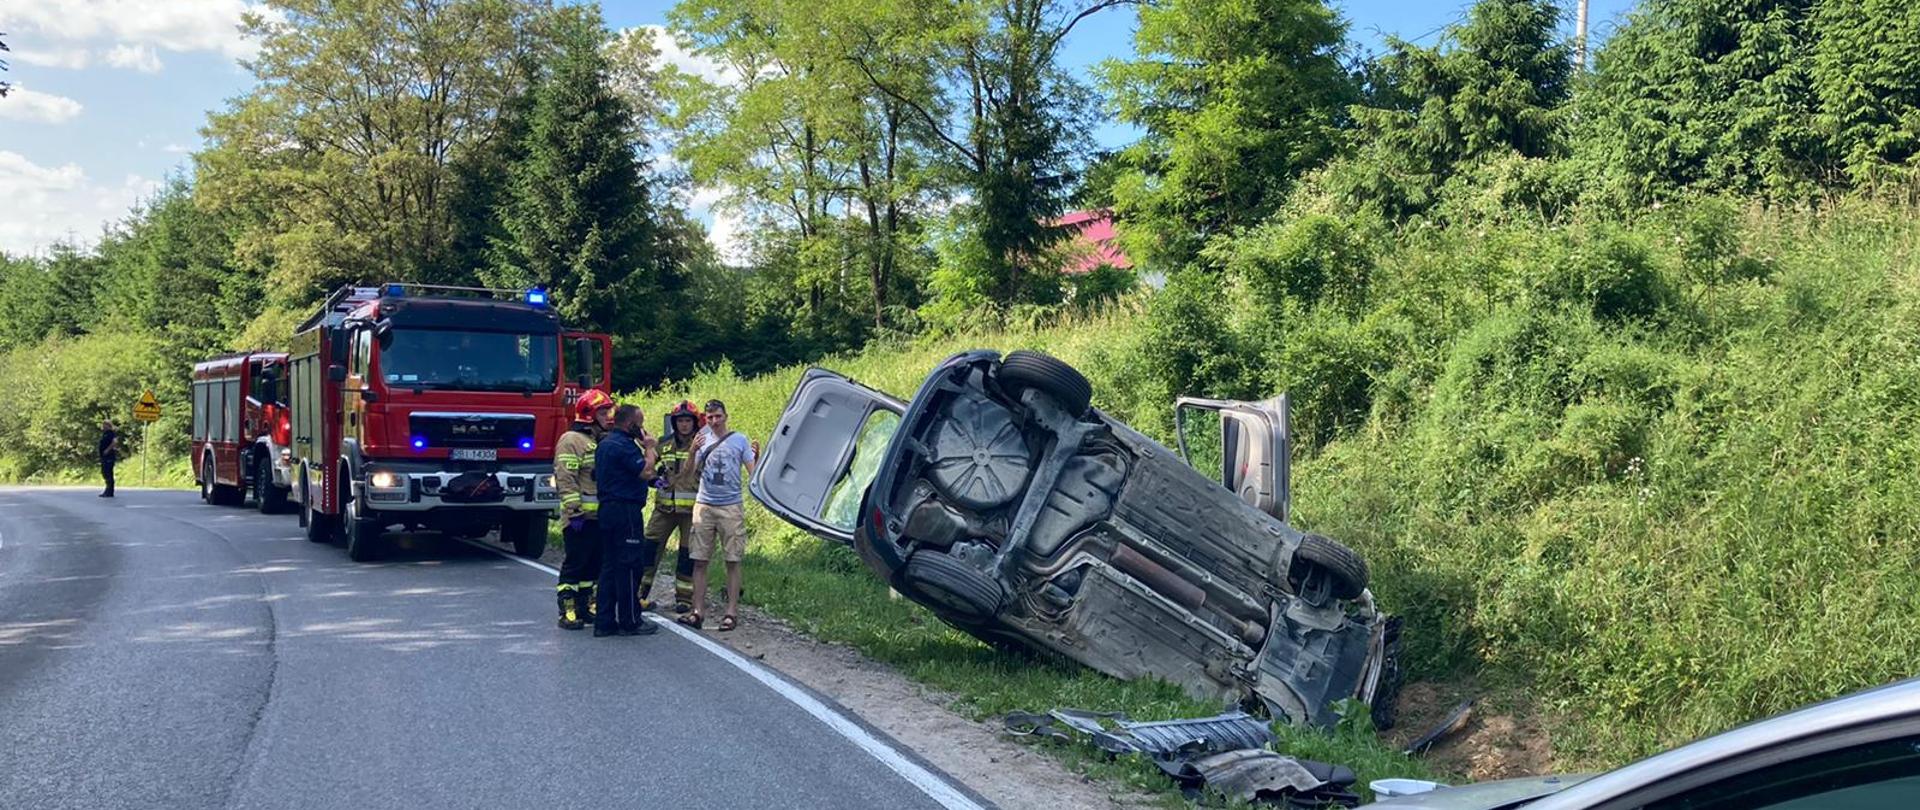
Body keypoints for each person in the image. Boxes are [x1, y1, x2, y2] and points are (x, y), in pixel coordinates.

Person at [678, 399, 757, 632]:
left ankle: (731, 612)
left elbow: (753, 473)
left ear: (725, 416)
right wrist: (692, 451)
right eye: (710, 417)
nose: (714, 421)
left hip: (731, 506)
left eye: (718, 416)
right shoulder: (701, 439)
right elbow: (687, 474)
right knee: (699, 559)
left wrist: (757, 458)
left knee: (733, 559)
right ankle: (697, 611)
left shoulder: (739, 440)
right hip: (704, 504)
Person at [592, 403, 660, 637]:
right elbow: (645, 472)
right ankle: (631, 620)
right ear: (630, 425)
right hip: (626, 511)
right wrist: (650, 448)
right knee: (630, 565)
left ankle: (604, 621)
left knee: (609, 565)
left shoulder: (604, 444)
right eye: (640, 425)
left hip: (606, 510)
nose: (642, 430)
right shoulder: (624, 446)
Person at [552, 389, 615, 630]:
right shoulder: (571, 440)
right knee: (575, 564)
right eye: (602, 411)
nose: (608, 416)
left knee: (593, 564)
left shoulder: (599, 440)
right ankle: (566, 609)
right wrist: (574, 511)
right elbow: (566, 478)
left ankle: (584, 605)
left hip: (599, 516)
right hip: (579, 517)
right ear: (588, 414)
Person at [640, 400, 702, 614]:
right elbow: (647, 466)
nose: (684, 425)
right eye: (680, 421)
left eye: (688, 420)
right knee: (649, 549)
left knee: (687, 556)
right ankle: (639, 593)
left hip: (691, 512)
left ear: (695, 422)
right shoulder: (663, 444)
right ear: (674, 423)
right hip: (663, 510)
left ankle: (684, 598)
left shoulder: (702, 446)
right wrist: (653, 479)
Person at [98, 419, 121, 498]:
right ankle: (107, 490)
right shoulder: (105, 434)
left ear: (108, 426)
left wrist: (107, 450)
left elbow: (115, 442)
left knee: (108, 473)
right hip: (104, 456)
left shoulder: (111, 434)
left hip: (109, 456)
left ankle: (109, 491)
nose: (103, 426)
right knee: (105, 472)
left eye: (104, 425)